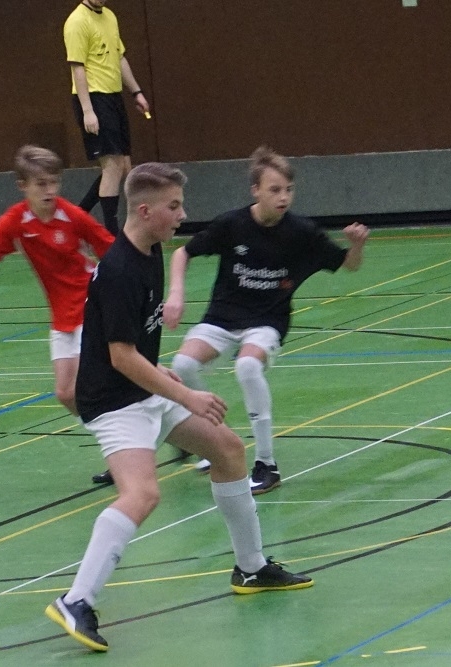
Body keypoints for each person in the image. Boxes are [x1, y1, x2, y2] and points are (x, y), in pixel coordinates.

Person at [45, 163, 313, 653]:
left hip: (142, 389)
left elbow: (132, 345)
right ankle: (76, 600)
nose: (182, 215)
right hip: (114, 403)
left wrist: (162, 373)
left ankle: (251, 569)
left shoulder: (150, 252)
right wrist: (186, 393)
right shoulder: (120, 270)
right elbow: (119, 356)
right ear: (145, 211)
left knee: (228, 451)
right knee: (142, 494)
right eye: (174, 206)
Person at [163, 146, 370, 494]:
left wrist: (357, 245)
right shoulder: (231, 225)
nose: (283, 197)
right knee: (183, 365)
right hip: (222, 318)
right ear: (255, 190)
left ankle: (267, 464)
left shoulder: (302, 232)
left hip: (267, 322)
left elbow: (348, 264)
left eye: (289, 189)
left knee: (247, 367)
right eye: (275, 190)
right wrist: (176, 294)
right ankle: (212, 440)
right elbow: (183, 252)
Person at [0, 144, 113, 422]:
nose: (50, 190)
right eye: (41, 184)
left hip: (91, 305)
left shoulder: (72, 216)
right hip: (62, 316)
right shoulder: (14, 222)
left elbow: (114, 253)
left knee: (89, 387)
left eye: (55, 182)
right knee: (65, 394)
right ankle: (117, 435)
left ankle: (132, 431)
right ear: (23, 185)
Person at [64, 0, 150, 236]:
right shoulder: (77, 22)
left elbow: (119, 58)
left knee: (123, 166)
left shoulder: (110, 16)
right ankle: (110, 236)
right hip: (93, 98)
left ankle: (77, 217)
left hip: (113, 97)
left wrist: (136, 92)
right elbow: (77, 69)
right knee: (112, 166)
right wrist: (88, 111)